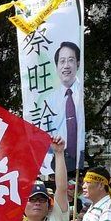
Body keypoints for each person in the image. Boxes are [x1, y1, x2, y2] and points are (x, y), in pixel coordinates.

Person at [50, 41, 84, 172]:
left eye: (71, 60)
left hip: (80, 156)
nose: (66, 66)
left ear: (78, 63)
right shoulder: (50, 101)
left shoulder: (82, 94)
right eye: (62, 61)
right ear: (57, 66)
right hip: (59, 157)